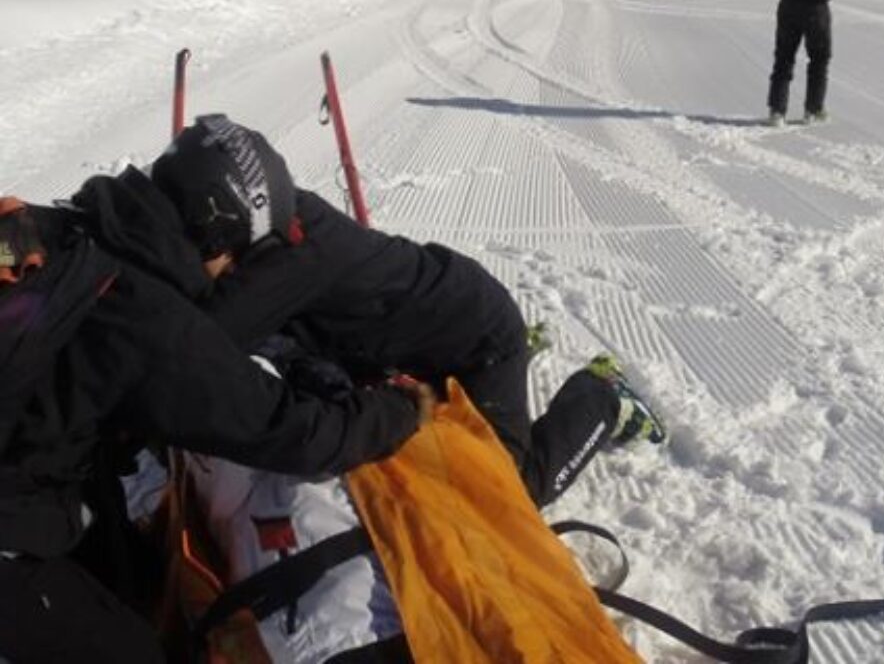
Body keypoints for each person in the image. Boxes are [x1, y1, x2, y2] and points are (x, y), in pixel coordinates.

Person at [146, 115, 663, 512]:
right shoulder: (273, 226)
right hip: (423, 327)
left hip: (480, 337)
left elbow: (191, 350)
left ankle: (601, 395)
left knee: (513, 489)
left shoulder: (290, 262)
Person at [0, 191, 429, 664]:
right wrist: (399, 408)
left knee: (136, 574)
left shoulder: (58, 234)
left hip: (38, 477)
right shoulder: (144, 314)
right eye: (239, 258)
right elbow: (286, 431)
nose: (235, 278)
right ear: (214, 243)